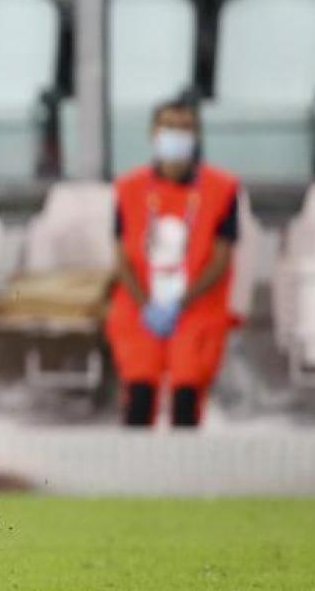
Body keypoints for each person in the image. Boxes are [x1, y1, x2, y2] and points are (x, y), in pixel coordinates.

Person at [106, 98, 241, 428]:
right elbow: (122, 256)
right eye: (169, 126)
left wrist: (179, 303)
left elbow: (221, 258)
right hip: (141, 305)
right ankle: (134, 475)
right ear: (153, 132)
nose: (177, 135)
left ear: (196, 135)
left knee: (187, 396)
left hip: (196, 307)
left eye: (185, 128)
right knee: (138, 396)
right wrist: (146, 304)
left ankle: (185, 475)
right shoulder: (129, 188)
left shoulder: (221, 189)